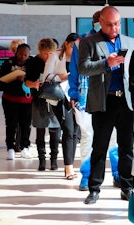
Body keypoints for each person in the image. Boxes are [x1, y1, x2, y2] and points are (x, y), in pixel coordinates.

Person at [78, 6, 134, 204]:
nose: (114, 28)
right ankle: (94, 188)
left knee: (127, 147)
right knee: (100, 146)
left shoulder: (130, 42)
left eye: (117, 23)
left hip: (127, 100)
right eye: (110, 24)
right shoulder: (89, 42)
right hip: (104, 100)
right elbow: (83, 69)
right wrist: (106, 64)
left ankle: (127, 186)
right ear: (100, 23)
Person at [68, 10, 120, 191]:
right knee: (88, 136)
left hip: (108, 97)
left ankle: (117, 173)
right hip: (85, 96)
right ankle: (87, 175)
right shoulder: (81, 43)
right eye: (98, 21)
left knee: (113, 137)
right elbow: (75, 70)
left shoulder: (115, 41)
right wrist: (73, 94)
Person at [46, 32, 81, 179]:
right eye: (73, 46)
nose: (74, 49)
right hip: (60, 97)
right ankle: (68, 168)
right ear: (66, 43)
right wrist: (60, 77)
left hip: (76, 97)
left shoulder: (79, 57)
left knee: (74, 132)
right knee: (67, 129)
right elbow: (46, 76)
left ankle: (71, 164)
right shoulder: (55, 56)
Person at [25, 38, 60, 171]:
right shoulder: (33, 62)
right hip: (38, 100)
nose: (49, 57)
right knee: (40, 130)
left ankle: (54, 160)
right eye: (46, 54)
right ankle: (42, 160)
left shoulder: (57, 60)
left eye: (51, 53)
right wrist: (33, 84)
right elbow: (26, 81)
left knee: (55, 130)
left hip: (54, 99)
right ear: (40, 51)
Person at [0, 43, 33, 160]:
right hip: (10, 99)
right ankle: (10, 148)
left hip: (26, 100)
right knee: (11, 124)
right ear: (16, 52)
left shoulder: (31, 63)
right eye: (21, 54)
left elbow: (36, 78)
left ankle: (25, 147)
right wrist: (13, 77)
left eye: (25, 55)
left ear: (29, 54)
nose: (23, 57)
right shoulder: (8, 63)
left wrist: (25, 79)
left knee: (26, 125)